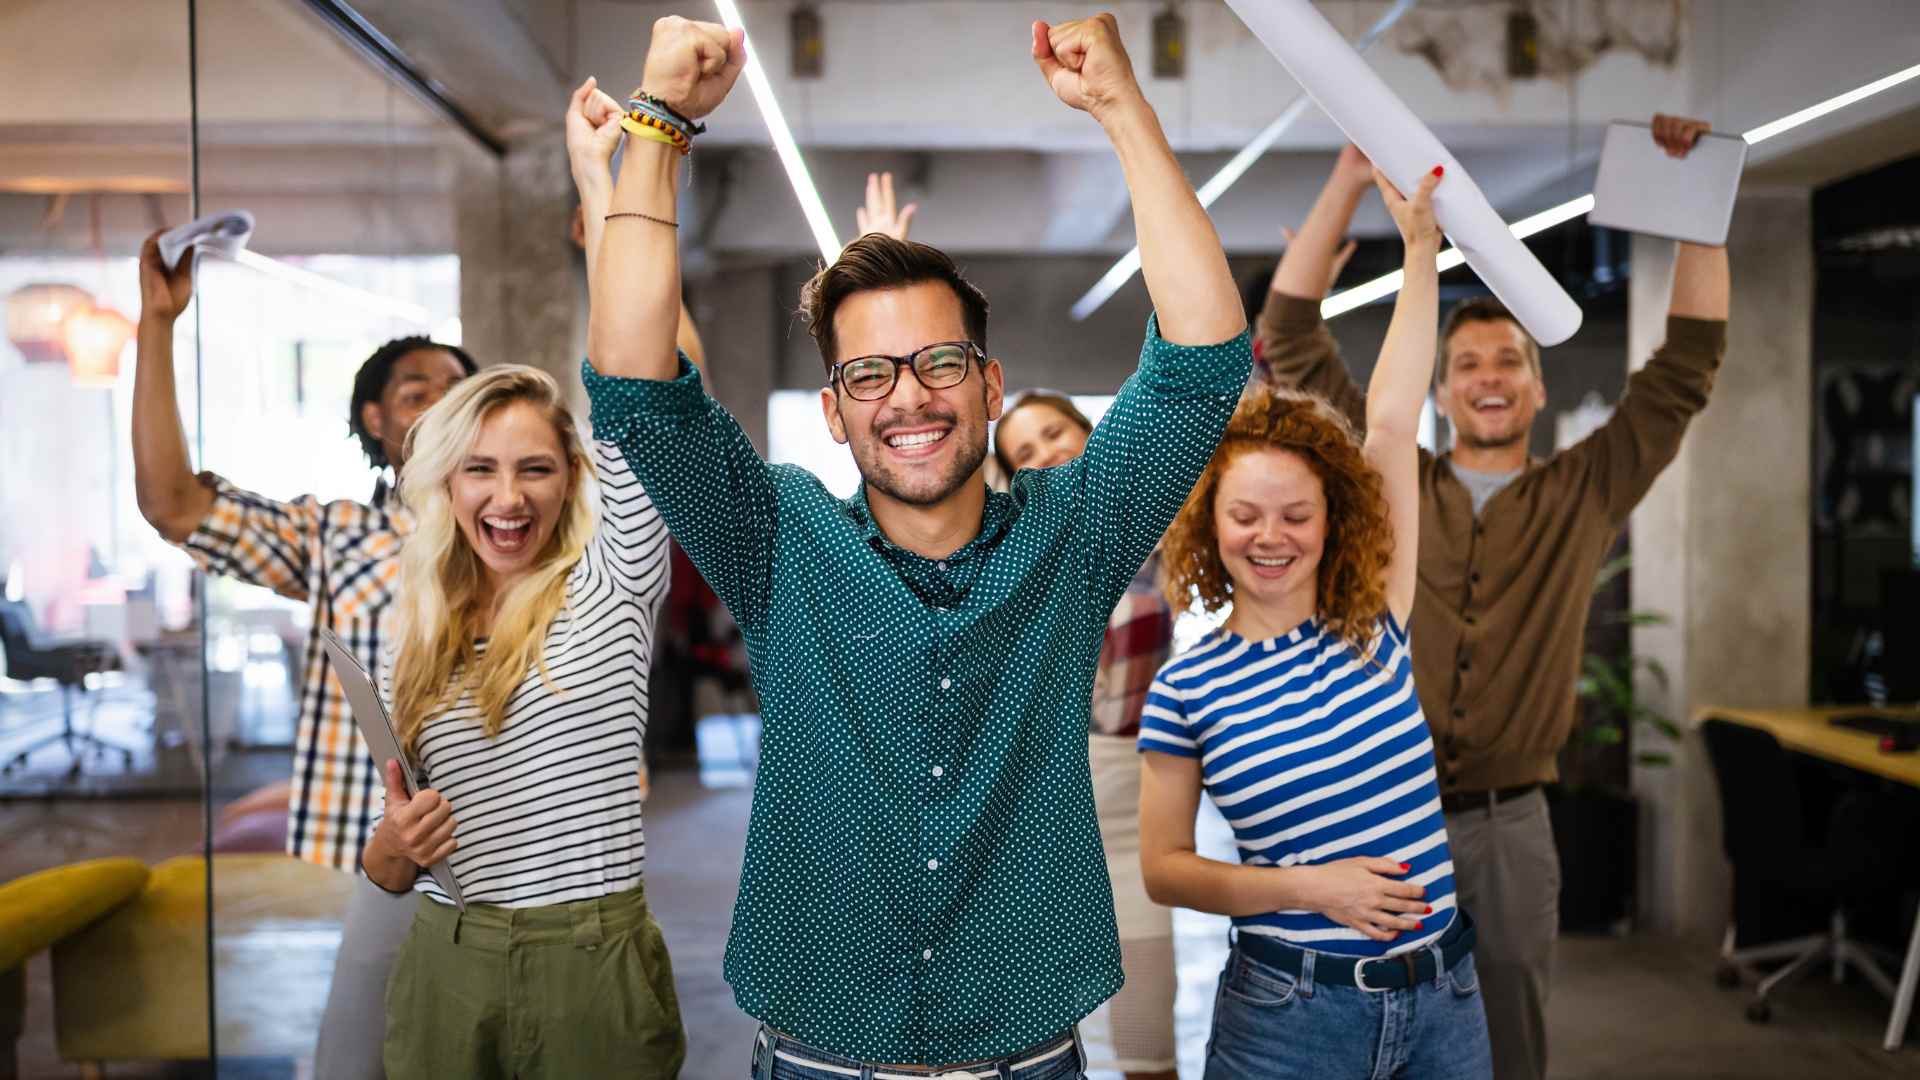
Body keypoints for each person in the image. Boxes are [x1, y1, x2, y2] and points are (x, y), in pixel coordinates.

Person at [573, 12, 1251, 1076]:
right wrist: (654, 130)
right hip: (818, 1060)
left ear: (988, 384)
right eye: (869, 375)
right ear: (836, 412)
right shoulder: (777, 538)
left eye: (940, 362)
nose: (910, 398)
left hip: (1028, 1059)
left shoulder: (1074, 535)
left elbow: (1203, 362)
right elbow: (633, 390)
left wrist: (1123, 109)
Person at [1257, 117, 1730, 1080]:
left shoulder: (1583, 490)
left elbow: (1684, 369)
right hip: (1379, 816)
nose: (1487, 378)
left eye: (1508, 360)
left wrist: (1698, 207)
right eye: (1467, 364)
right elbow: (1290, 338)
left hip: (1511, 825)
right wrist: (1352, 170)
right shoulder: (1393, 481)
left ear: (1539, 385)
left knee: (1509, 1048)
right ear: (1438, 389)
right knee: (1365, 1046)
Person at [132, 233, 474, 1079]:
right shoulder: (334, 536)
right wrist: (157, 324)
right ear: (375, 420)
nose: (438, 402)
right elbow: (171, 503)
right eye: (415, 389)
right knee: (360, 1055)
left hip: (512, 849)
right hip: (382, 857)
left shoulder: (527, 532)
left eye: (458, 391)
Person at [363, 363, 681, 1076]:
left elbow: (644, 378)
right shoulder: (412, 635)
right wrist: (398, 837)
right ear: (447, 480)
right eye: (480, 469)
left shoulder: (613, 582)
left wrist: (615, 244)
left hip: (591, 963)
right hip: (447, 959)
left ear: (571, 474)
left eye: (534, 469)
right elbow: (384, 871)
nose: (508, 499)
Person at [996, 392, 1178, 1080]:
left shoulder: (1158, 527)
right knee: (1026, 1055)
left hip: (1133, 816)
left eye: (1054, 433)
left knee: (1147, 1048)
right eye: (1024, 453)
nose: (1047, 454)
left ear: (1088, 431)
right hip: (1032, 831)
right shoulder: (1011, 559)